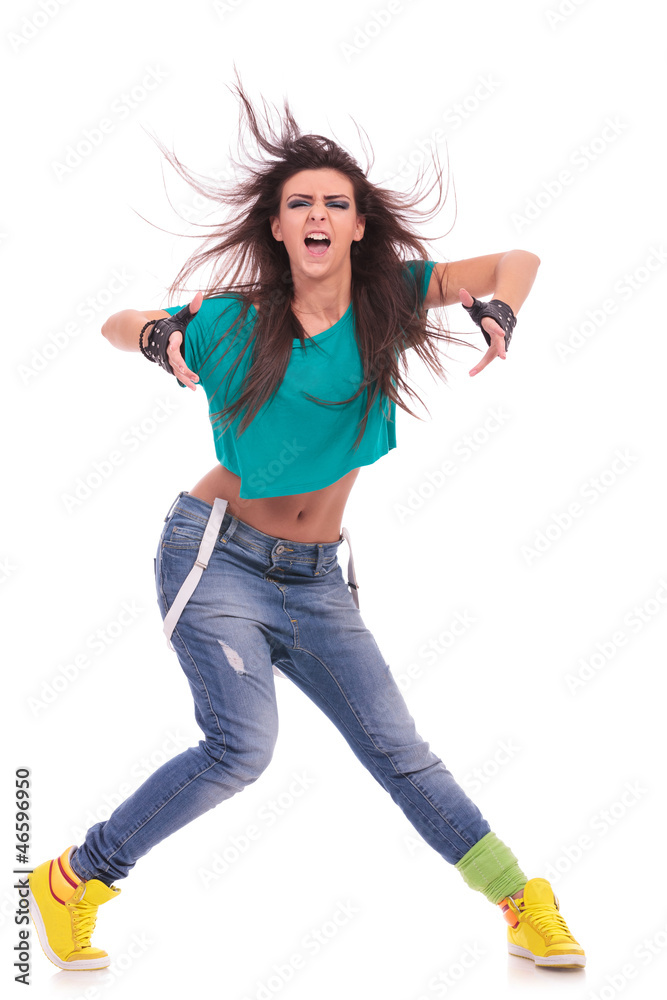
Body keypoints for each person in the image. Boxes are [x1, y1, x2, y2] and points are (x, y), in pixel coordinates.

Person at [28, 78, 585, 973]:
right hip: (217, 557)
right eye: (300, 204)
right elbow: (115, 322)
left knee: (398, 750)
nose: (318, 214)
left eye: (335, 202)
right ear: (279, 228)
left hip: (317, 577)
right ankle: (73, 880)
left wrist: (498, 309)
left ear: (357, 226)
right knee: (241, 748)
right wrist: (157, 338)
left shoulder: (391, 302)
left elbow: (515, 259)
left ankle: (521, 902)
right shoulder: (233, 321)